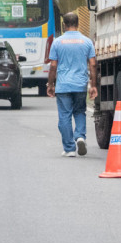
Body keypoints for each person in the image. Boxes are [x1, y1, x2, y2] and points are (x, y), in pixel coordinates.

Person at [46, 12, 98, 156]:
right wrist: (93, 85)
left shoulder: (57, 42)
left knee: (64, 116)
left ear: (64, 25)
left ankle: (69, 149)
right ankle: (80, 136)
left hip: (63, 85)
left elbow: (53, 66)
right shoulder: (87, 42)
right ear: (78, 24)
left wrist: (50, 84)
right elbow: (93, 64)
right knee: (79, 111)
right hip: (80, 84)